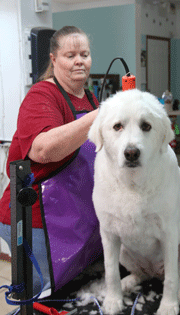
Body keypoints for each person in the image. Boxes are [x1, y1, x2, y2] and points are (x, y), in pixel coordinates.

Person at [0, 26, 101, 296]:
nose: (80, 60)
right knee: (40, 296)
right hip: (36, 217)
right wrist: (101, 115)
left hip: (75, 213)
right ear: (54, 59)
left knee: (70, 289)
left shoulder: (89, 98)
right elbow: (43, 150)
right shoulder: (43, 95)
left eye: (85, 54)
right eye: (70, 55)